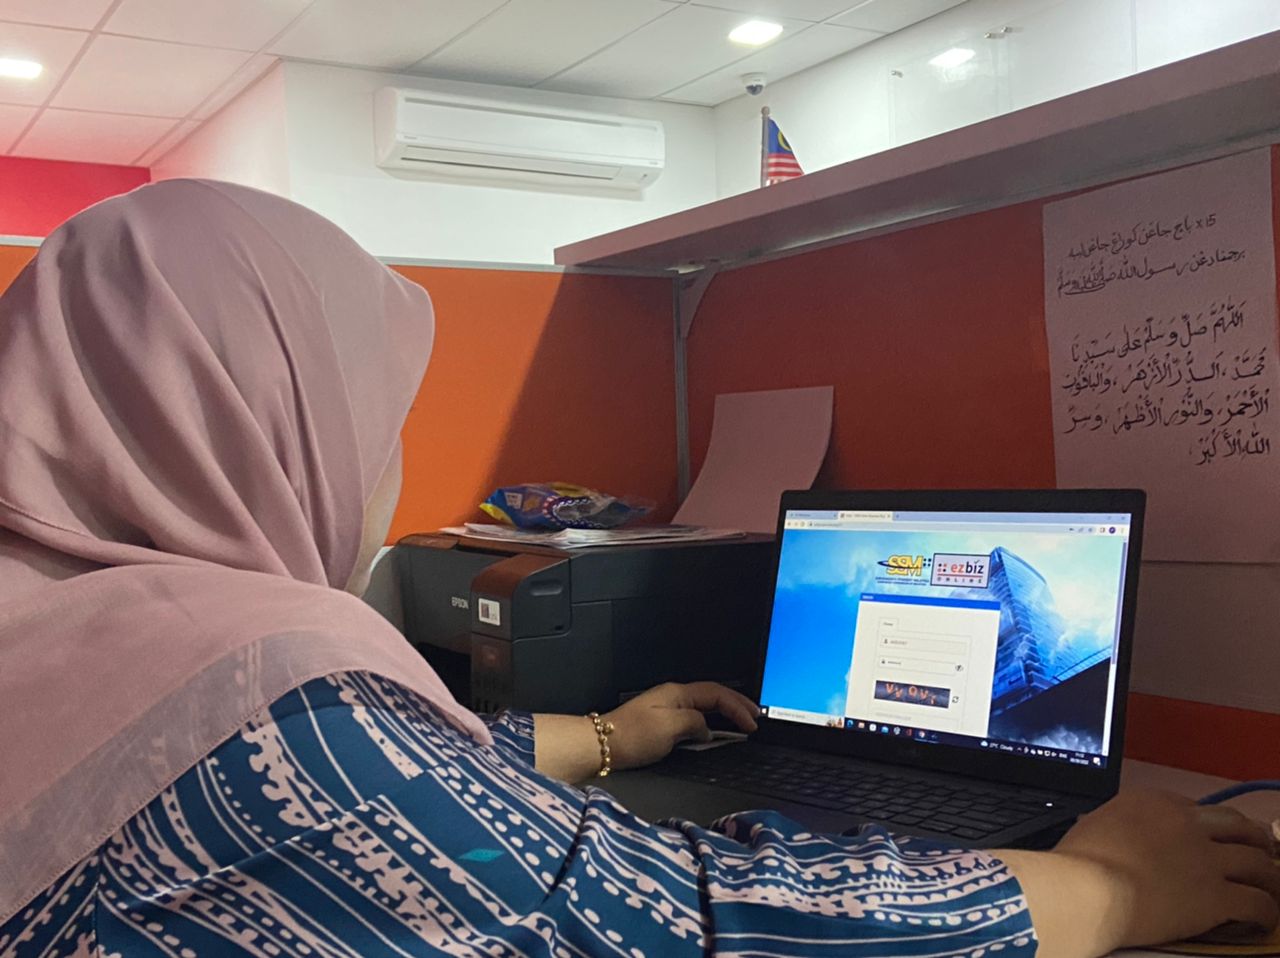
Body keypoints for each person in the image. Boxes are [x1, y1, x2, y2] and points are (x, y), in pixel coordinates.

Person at [0, 180, 1275, 958]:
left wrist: (611, 735)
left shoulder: (75, 635)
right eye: (379, 424)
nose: (383, 471)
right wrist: (1108, 890)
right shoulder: (270, 691)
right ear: (271, 419)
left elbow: (392, 776)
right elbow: (673, 921)